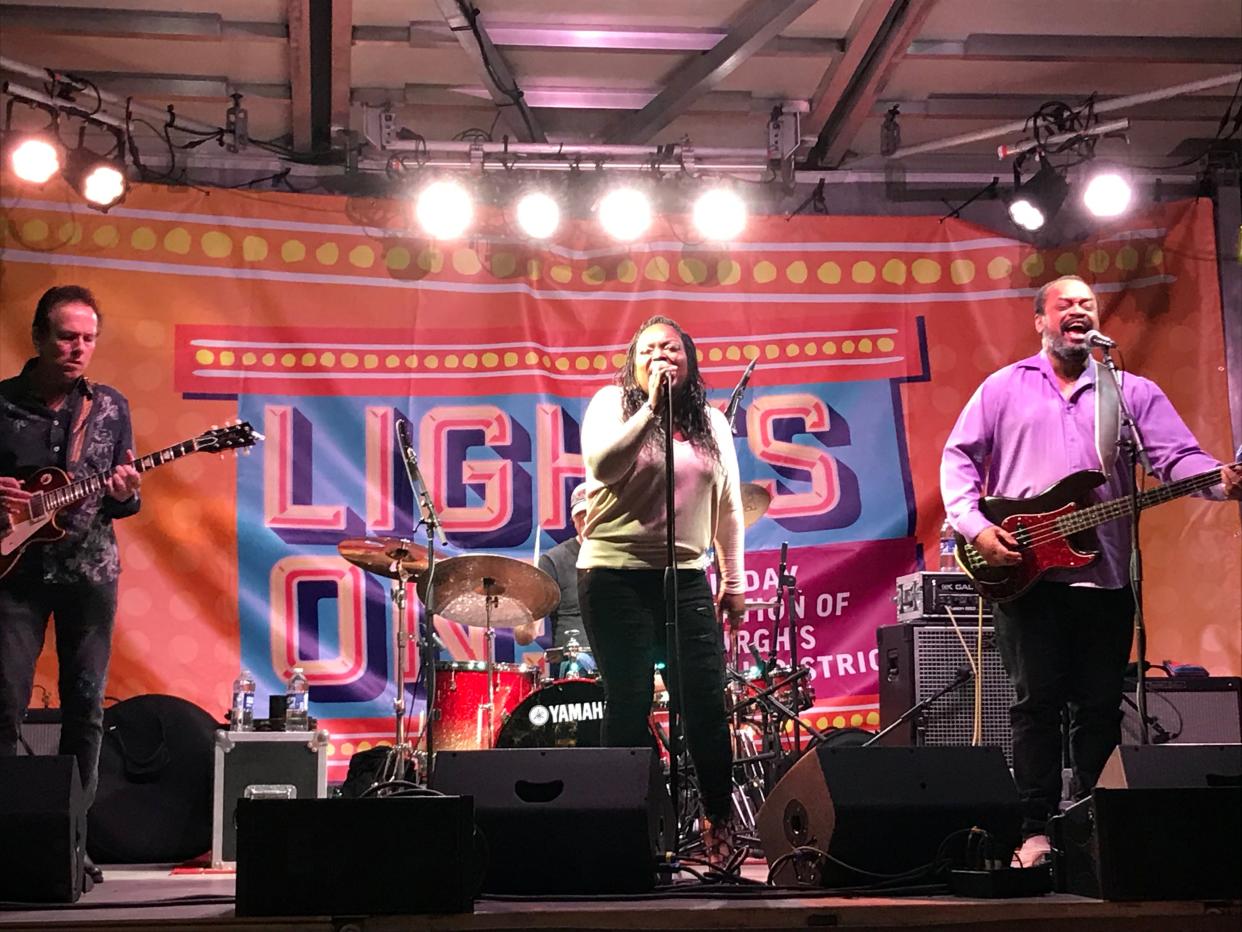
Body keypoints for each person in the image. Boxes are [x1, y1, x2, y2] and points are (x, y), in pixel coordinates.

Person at [941, 275, 1242, 868]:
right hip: (1027, 576)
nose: (1077, 311)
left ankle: (1092, 822)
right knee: (1035, 707)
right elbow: (958, 459)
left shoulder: (1128, 391)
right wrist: (977, 528)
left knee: (1100, 707)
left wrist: (1221, 481)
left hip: (1105, 576)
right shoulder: (1004, 387)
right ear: (1040, 321)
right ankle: (1034, 829)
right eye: (1065, 305)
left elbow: (1175, 457)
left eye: (1087, 304)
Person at [577, 315, 747, 866]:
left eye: (671, 349)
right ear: (633, 363)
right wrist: (652, 407)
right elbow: (603, 465)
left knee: (703, 701)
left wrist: (735, 581)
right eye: (648, 350)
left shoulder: (712, 424)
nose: (661, 357)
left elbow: (730, 507)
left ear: (689, 359)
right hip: (614, 574)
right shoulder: (612, 404)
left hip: (686, 573)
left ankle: (718, 824)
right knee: (627, 702)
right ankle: (623, 831)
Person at [0, 286, 142, 884]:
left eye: (88, 338)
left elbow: (128, 500)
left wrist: (126, 491)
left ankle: (70, 840)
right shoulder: (3, 402)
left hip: (90, 576)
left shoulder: (109, 408)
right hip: (15, 578)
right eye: (66, 336)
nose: (78, 348)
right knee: (3, 705)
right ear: (39, 337)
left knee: (86, 711)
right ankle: (8, 841)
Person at [514, 482, 596, 676]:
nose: (585, 520)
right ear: (573, 520)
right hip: (573, 666)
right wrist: (526, 618)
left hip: (614, 655)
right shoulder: (554, 561)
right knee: (579, 665)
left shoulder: (618, 554)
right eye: (580, 515)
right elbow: (524, 636)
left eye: (590, 513)